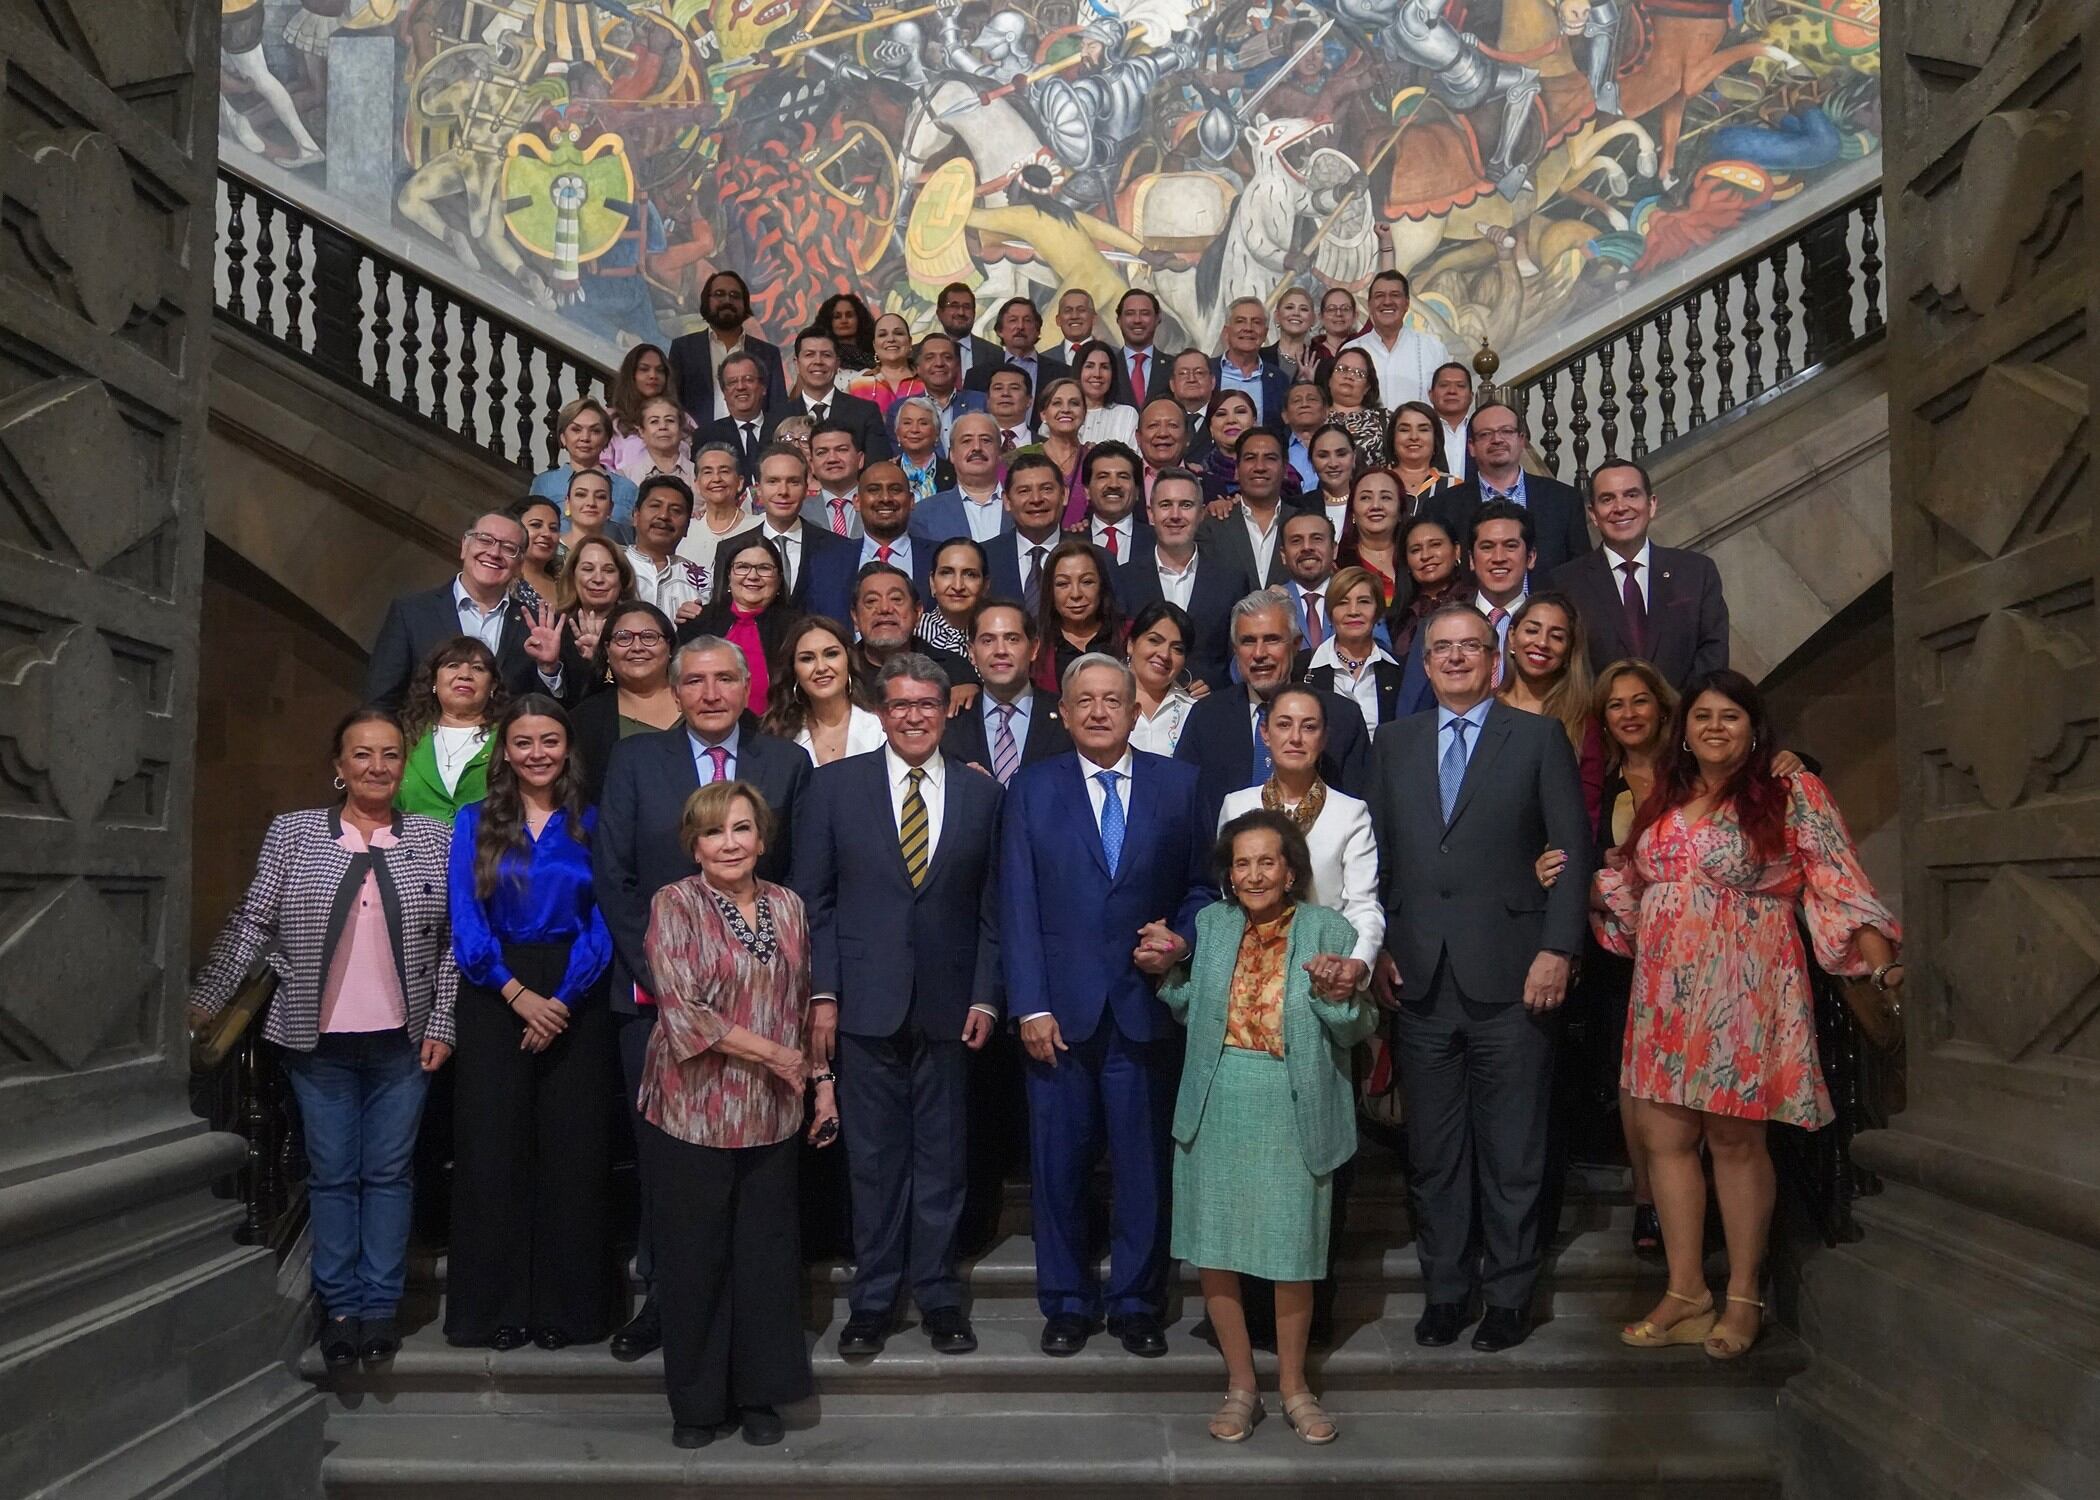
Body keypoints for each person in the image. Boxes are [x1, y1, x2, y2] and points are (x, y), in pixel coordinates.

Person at [1597, 670, 1900, 1360]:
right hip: (1664, 990)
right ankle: (1685, 1291)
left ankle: (1741, 1296)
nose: (1714, 727)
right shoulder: (1668, 793)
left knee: (1735, 1141)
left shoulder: (1791, 790)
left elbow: (1840, 882)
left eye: (1729, 716)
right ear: (1684, 728)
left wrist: (1882, 967)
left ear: (1754, 728)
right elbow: (1634, 883)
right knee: (1664, 1138)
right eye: (1702, 715)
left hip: (1744, 983)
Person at [188, 709, 456, 1369]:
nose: (376, 767)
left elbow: (456, 942)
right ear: (339, 767)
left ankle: (380, 1306)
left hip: (403, 1042)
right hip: (316, 1042)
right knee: (334, 1177)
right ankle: (339, 1307)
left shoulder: (436, 836)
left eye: (389, 754)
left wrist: (444, 1022)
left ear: (403, 766)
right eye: (362, 754)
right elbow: (254, 920)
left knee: (388, 1175)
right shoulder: (294, 832)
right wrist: (204, 1002)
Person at [1367, 602, 1594, 1355]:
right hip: (1420, 980)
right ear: (1426, 663)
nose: (1457, 658)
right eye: (1443, 648)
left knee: (1513, 1152)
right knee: (1434, 1154)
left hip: (1515, 976)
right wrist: (1379, 946)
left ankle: (1507, 1296)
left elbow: (1572, 850)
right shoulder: (1393, 743)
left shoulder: (1536, 737)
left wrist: (1558, 949)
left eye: (1471, 647)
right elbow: (1377, 860)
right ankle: (1446, 1292)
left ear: (1495, 661)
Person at [592, 637, 813, 1362]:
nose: (711, 693)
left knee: (758, 1179)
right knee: (668, 1163)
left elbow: (800, 881)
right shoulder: (635, 760)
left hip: (765, 1007)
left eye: (725, 679)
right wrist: (670, 984)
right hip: (657, 1002)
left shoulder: (785, 762)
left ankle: (756, 1317)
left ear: (748, 686)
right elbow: (615, 876)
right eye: (695, 681)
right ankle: (667, 1297)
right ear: (675, 690)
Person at [999, 654, 1213, 1358]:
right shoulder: (1031, 788)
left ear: (1134, 709)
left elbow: (1202, 887)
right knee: (1058, 1167)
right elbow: (1017, 903)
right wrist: (1029, 1005)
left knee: (1143, 1166)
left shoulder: (1179, 785)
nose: (1098, 711)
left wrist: (1180, 938)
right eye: (1084, 700)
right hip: (1057, 1015)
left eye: (1112, 700)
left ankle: (1137, 1303)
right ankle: (1066, 1302)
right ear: (1063, 713)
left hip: (1144, 1009)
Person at [794, 654, 1006, 1359]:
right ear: (881, 714)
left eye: (927, 705)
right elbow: (815, 903)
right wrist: (823, 994)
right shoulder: (833, 787)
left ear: (946, 711)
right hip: (862, 1005)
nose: (914, 717)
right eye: (900, 705)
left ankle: (939, 1294)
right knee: (875, 1160)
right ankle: (875, 1298)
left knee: (943, 1159)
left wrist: (986, 994)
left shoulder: (982, 795)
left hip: (951, 1005)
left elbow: (993, 909)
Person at [1143, 807, 1373, 1443]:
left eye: (1266, 861)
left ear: (1291, 870)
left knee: (1293, 1251)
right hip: (1217, 1100)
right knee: (1216, 1250)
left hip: (1295, 1105)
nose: (1253, 875)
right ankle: (1241, 1385)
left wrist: (1335, 996)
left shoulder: (1329, 928)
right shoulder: (1212, 926)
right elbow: (1193, 1008)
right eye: (1241, 864)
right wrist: (1165, 970)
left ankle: (1295, 1387)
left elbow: (1358, 1027)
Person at [640, 779, 836, 1447]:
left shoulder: (789, 906)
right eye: (714, 831)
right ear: (694, 845)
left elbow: (803, 1006)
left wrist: (822, 1083)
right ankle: (697, 1406)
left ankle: (760, 1396)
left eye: (742, 828)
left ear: (762, 839)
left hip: (771, 1114)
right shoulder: (675, 903)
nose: (730, 843)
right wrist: (778, 1056)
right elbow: (684, 1013)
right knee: (696, 1260)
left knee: (765, 1260)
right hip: (691, 1112)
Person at [444, 695, 616, 1352]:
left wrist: (563, 998)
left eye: (549, 740)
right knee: (493, 1153)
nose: (537, 753)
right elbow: (466, 919)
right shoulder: (474, 820)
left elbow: (605, 917)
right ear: (505, 751)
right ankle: (494, 1310)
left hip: (578, 991)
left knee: (573, 1154)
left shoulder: (593, 820)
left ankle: (569, 1311)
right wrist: (517, 994)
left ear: (567, 748)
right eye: (523, 742)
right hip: (496, 993)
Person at [1174, 589, 1370, 828]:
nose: (1259, 654)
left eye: (1272, 639)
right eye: (1248, 641)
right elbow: (1184, 807)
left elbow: (1359, 810)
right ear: (1235, 650)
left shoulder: (1341, 718)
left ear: (1296, 644)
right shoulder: (1206, 718)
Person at [1550, 457, 1729, 691]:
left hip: (1684, 710)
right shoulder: (1566, 583)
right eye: (1607, 499)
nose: (1620, 507)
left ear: (1651, 504)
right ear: (1593, 513)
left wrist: (1676, 707)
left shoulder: (1697, 572)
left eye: (1631, 495)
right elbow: (1564, 667)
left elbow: (1713, 654)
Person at [366, 513, 577, 709]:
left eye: (508, 548)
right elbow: (381, 702)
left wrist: (549, 669)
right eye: (484, 540)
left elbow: (551, 713)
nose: (494, 553)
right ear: (464, 546)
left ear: (520, 563)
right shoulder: (411, 613)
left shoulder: (537, 626)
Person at [1116, 468, 1256, 689]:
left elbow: (1238, 657)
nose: (1175, 515)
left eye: (1186, 505)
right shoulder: (1123, 579)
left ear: (1201, 513)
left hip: (1211, 703)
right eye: (1165, 505)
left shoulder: (1231, 581)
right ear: (1151, 513)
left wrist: (1214, 690)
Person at [1424, 403, 1589, 579]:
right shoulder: (1442, 507)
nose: (1497, 439)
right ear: (1471, 447)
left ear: (1521, 440)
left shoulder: (1564, 500)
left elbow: (1582, 571)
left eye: (1507, 431)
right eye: (1485, 434)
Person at [720, 443, 859, 624]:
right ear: (758, 489)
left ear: (806, 488)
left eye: (793, 482)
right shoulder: (729, 550)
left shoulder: (841, 549)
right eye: (773, 481)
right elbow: (720, 615)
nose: (783, 492)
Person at [1498, 591, 1605, 823]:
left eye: (1556, 636)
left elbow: (1586, 813)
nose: (1542, 643)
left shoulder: (1581, 723)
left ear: (1569, 650)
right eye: (1532, 630)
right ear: (1512, 636)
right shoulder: (1483, 709)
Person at [943, 599, 1071, 780]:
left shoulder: (1066, 716)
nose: (1000, 650)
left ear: (1034, 648)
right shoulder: (950, 723)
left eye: (1012, 639)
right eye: (988, 641)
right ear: (971, 652)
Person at [572, 602, 681, 804]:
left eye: (649, 637)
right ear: (607, 650)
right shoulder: (587, 719)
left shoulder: (699, 701)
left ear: (670, 647)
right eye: (624, 638)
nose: (637, 647)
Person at [396, 636, 505, 822]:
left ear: (492, 685)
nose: (465, 675)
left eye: (478, 668)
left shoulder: (508, 739)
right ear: (434, 680)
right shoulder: (405, 738)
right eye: (453, 665)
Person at [685, 534, 796, 716]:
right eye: (743, 567)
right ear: (728, 575)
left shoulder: (796, 630)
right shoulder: (698, 623)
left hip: (778, 729)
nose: (753, 576)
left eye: (764, 568)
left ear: (778, 579)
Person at [668, 269, 787, 425]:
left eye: (735, 296)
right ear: (706, 301)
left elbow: (778, 409)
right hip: (698, 438)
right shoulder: (683, 349)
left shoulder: (768, 354)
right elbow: (672, 403)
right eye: (719, 294)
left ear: (744, 304)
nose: (727, 300)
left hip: (754, 439)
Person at [762, 614, 884, 765]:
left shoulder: (880, 729)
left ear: (848, 660)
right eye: (807, 658)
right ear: (794, 670)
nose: (821, 668)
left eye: (831, 654)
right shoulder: (777, 736)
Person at [1301, 567, 1402, 736]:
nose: (1353, 611)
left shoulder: (1398, 671)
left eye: (1364, 601)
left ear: (1377, 611)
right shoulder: (1302, 668)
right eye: (1342, 603)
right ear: (1330, 613)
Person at [766, 329, 891, 461]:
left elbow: (877, 466)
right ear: (797, 364)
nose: (818, 361)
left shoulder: (865, 412)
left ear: (837, 363)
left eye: (826, 355)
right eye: (809, 355)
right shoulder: (776, 417)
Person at [1388, 514, 1471, 709]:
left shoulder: (1476, 604)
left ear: (1457, 550)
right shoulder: (1398, 618)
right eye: (1415, 550)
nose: (1425, 555)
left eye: (1435, 545)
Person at [1197, 428, 1296, 588]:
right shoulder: (1212, 526)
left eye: (1270, 458)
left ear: (1285, 468)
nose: (1260, 467)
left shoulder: (1301, 524)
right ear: (1237, 469)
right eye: (1250, 458)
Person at [1343, 269, 1450, 410]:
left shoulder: (1433, 349)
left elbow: (1446, 405)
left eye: (1395, 295)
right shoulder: (1350, 351)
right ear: (1369, 305)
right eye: (1379, 296)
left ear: (1407, 304)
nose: (1387, 302)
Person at [531, 397, 639, 529]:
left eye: (595, 431)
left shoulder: (627, 488)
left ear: (606, 439)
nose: (585, 438)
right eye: (576, 430)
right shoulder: (544, 484)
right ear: (563, 437)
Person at [1031, 538, 1124, 692]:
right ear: (1050, 590)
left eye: (1087, 582)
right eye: (1063, 584)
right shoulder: (1034, 642)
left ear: (1102, 585)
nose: (1076, 594)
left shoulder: (1128, 635)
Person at [984, 452, 1068, 613]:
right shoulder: (984, 557)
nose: (1036, 499)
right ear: (1007, 501)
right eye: (1024, 491)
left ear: (1064, 495)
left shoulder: (1095, 557)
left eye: (1046, 489)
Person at [625, 475, 710, 628]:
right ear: (636, 516)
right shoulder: (613, 567)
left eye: (676, 510)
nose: (664, 516)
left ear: (687, 526)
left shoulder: (703, 580)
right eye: (655, 506)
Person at [1126, 600, 1202, 757]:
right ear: (1131, 644)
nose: (1165, 655)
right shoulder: (1102, 700)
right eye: (1154, 641)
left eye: (1177, 649)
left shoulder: (1193, 711)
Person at [1466, 500, 1536, 670]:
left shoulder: (1552, 626)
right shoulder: (1440, 625)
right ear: (1471, 560)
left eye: (1510, 546)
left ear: (1531, 557)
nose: (1498, 558)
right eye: (1487, 547)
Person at [918, 413, 1008, 544]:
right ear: (952, 454)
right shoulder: (924, 513)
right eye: (966, 441)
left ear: (999, 452)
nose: (977, 447)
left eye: (986, 440)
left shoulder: (1023, 504)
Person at [854, 459, 935, 592]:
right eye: (874, 490)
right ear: (857, 502)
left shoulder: (937, 557)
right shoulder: (832, 559)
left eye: (895, 490)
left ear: (911, 501)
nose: (885, 498)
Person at [695, 350, 775, 481]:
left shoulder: (782, 427)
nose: (740, 387)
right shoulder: (706, 436)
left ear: (763, 387)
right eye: (732, 382)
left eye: (748, 380)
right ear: (724, 392)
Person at [557, 534, 636, 665]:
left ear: (622, 579)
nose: (598, 579)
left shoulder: (638, 629)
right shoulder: (556, 628)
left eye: (609, 570)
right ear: (572, 576)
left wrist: (602, 658)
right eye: (588, 569)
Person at [965, 295, 1067, 394]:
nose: (1020, 326)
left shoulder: (1063, 373)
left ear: (1037, 330)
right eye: (1013, 320)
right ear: (1000, 330)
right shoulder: (977, 376)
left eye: (1027, 320)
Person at [1213, 297, 1288, 427]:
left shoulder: (1279, 380)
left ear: (1265, 333)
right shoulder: (1207, 371)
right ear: (1226, 331)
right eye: (1240, 321)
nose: (1248, 328)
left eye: (1256, 322)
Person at [1337, 466, 1406, 604]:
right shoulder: (1336, 567)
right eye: (1365, 498)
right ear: (1352, 512)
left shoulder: (1416, 561)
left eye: (1385, 497)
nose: (1375, 506)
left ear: (1400, 511)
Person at [912, 333, 988, 452]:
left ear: (957, 366)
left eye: (947, 357)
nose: (939, 363)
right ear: (918, 368)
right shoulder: (903, 408)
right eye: (930, 358)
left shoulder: (982, 402)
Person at [1077, 441, 1151, 562]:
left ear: (1137, 491)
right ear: (1087, 491)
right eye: (1103, 476)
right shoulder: (1070, 541)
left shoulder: (1158, 543)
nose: (1114, 484)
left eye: (1123, 476)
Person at [1026, 376, 1088, 518]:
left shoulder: (1095, 459)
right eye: (1057, 403)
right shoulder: (1020, 458)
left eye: (1074, 403)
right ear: (1043, 414)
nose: (1066, 409)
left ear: (1084, 413)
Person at [1277, 511, 1338, 651]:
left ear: (1334, 550)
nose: (1306, 547)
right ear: (1283, 555)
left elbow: (1381, 653)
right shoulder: (1270, 604)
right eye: (1296, 541)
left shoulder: (1358, 599)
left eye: (1317, 539)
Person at [847, 312, 928, 418]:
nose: (891, 339)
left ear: (910, 342)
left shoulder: (927, 382)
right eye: (882, 335)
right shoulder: (857, 385)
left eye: (898, 333)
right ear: (874, 345)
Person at [917, 537, 987, 656]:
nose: (957, 586)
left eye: (970, 574)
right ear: (932, 582)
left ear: (985, 585)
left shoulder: (996, 635)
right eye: (946, 573)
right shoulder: (911, 631)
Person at [1321, 348, 1386, 469]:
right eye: (1342, 369)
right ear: (1329, 379)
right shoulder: (1315, 417)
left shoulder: (1385, 419)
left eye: (1358, 373)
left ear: (1367, 387)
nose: (1348, 376)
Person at [1386, 400, 1461, 504]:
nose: (1414, 437)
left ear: (1435, 438)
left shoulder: (1455, 487)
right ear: (1392, 437)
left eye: (1423, 430)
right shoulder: (1375, 483)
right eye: (1404, 430)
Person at [616, 394, 697, 490]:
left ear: (680, 428)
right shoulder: (626, 477)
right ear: (641, 431)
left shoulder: (698, 474)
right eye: (654, 421)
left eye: (670, 420)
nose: (663, 426)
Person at [805, 421, 869, 539]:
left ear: (860, 460)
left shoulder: (880, 505)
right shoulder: (799, 512)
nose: (832, 459)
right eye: (822, 452)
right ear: (812, 465)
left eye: (841, 450)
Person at [935, 280, 1005, 385]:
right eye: (954, 306)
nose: (961, 312)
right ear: (939, 313)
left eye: (967, 307)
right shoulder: (918, 353)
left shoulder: (995, 354)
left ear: (974, 313)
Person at [1075, 340, 1140, 447]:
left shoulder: (1126, 415)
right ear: (1078, 371)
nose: (1097, 374)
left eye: (1104, 367)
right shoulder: (1064, 414)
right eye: (1089, 366)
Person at [892, 396, 954, 504]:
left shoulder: (954, 473)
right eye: (907, 423)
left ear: (937, 433)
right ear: (897, 433)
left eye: (923, 423)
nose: (914, 429)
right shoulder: (886, 473)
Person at [1116, 288, 1173, 405]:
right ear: (1119, 320)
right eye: (1130, 313)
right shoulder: (1107, 367)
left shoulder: (1174, 367)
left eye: (1145, 313)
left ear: (1157, 319)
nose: (1137, 320)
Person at [509, 496, 564, 614]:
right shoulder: (501, 579)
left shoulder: (565, 586)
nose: (547, 534)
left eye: (553, 528)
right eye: (536, 525)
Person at [1189, 387, 1259, 478]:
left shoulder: (1274, 470)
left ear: (1255, 422)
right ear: (1211, 428)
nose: (1231, 420)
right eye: (1221, 414)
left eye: (1240, 412)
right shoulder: (1196, 476)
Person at [556, 466, 632, 549]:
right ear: (567, 503)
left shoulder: (621, 555)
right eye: (581, 495)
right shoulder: (550, 551)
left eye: (600, 496)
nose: (591, 503)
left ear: (610, 507)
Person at [1307, 422, 1358, 541]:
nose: (1333, 464)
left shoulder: (1368, 504)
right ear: (1311, 462)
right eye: (1323, 456)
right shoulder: (1298, 507)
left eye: (1341, 454)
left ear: (1354, 458)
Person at [1428, 362, 1475, 479]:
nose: (1452, 391)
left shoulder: (1481, 431)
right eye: (1444, 385)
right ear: (1431, 395)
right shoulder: (1421, 432)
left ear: (1471, 396)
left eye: (1460, 386)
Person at [1282, 380, 1331, 493]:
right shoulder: (1277, 451)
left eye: (1312, 399)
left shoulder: (1340, 449)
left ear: (1326, 412)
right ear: (1285, 416)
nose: (1304, 404)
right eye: (1296, 401)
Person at [1266, 287, 1322, 382]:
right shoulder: (1259, 358)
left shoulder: (1321, 364)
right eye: (1289, 307)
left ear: (1313, 319)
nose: (1296, 313)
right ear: (1277, 316)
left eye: (1303, 309)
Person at [1136, 395, 1192, 490]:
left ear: (1187, 437)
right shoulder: (1122, 481)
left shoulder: (1210, 487)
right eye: (1153, 425)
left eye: (1172, 425)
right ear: (1138, 437)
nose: (1162, 433)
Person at [816, 290, 878, 372]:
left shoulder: (876, 355)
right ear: (828, 322)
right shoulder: (824, 358)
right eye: (837, 317)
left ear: (860, 319)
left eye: (849, 315)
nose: (844, 320)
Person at [983, 364, 1037, 452]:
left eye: (1014, 388)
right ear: (988, 399)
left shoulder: (1048, 447)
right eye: (998, 388)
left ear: (1029, 400)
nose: (1005, 393)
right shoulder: (971, 445)